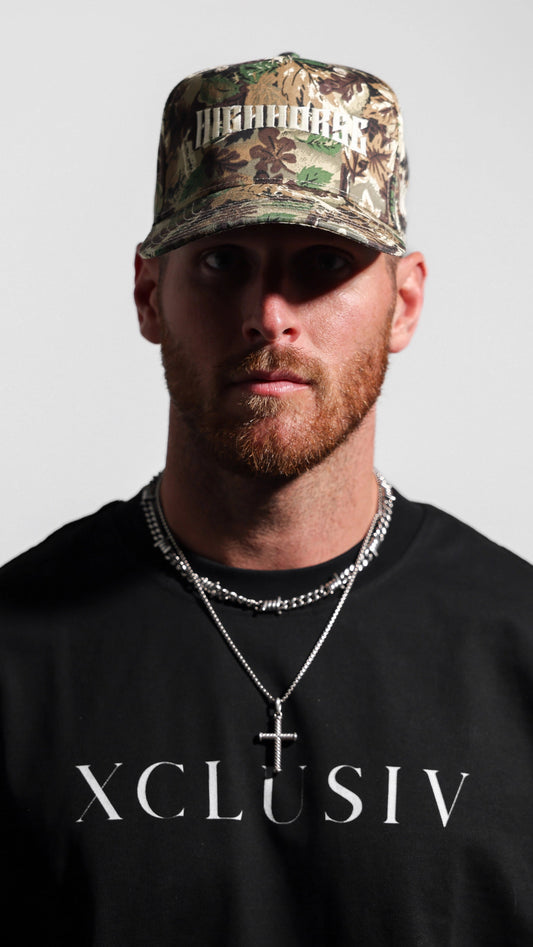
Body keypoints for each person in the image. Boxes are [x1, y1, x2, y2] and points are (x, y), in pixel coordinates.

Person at [1, 52, 532, 946]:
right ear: (148, 294)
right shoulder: (17, 652)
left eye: (323, 262)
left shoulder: (515, 647)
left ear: (402, 303)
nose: (270, 313)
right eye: (221, 261)